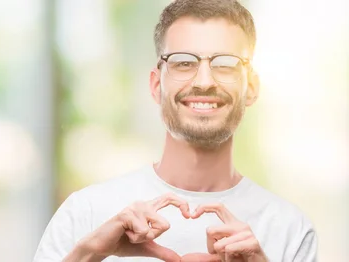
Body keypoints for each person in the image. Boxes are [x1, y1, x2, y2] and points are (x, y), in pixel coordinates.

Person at [32, 0, 318, 261]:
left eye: (226, 64)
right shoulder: (86, 214)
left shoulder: (290, 230)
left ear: (251, 87)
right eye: (183, 62)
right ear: (157, 86)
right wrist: (89, 253)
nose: (204, 81)